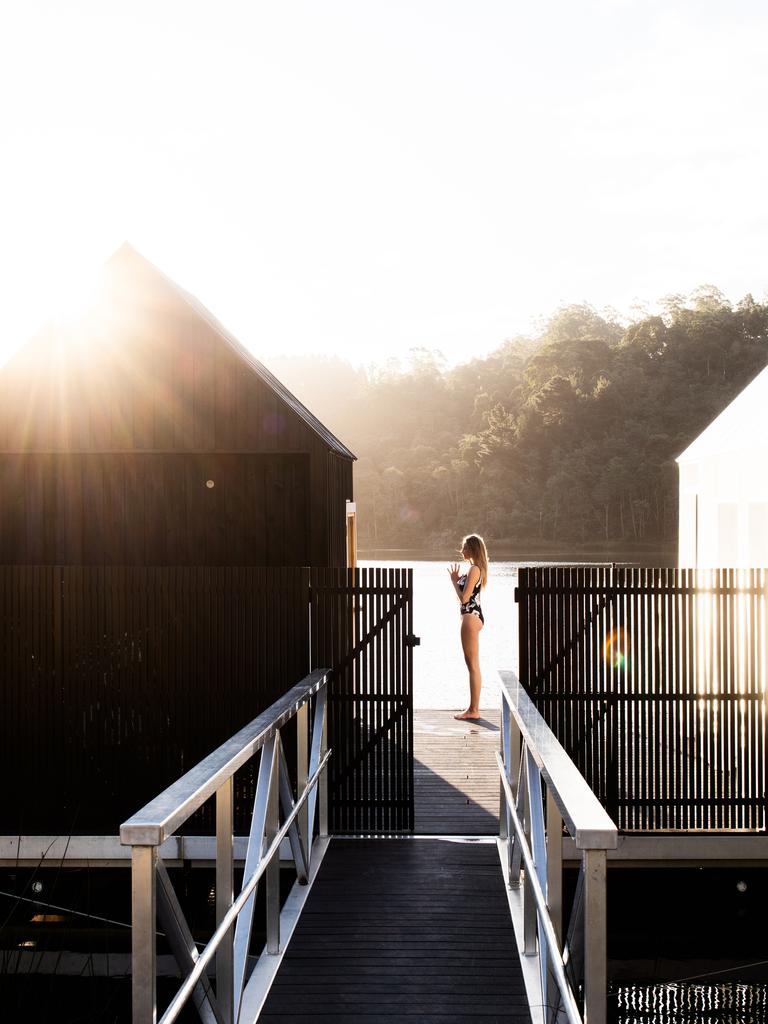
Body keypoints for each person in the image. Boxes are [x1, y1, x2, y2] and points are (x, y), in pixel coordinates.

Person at [448, 533, 488, 720]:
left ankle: (473, 710)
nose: (461, 550)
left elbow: (464, 599)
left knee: (472, 665)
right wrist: (457, 582)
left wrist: (454, 582)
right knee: (473, 665)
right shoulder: (475, 569)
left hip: (471, 618)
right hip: (472, 616)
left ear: (472, 549)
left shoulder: (474, 569)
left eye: (464, 547)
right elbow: (465, 599)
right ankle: (473, 708)